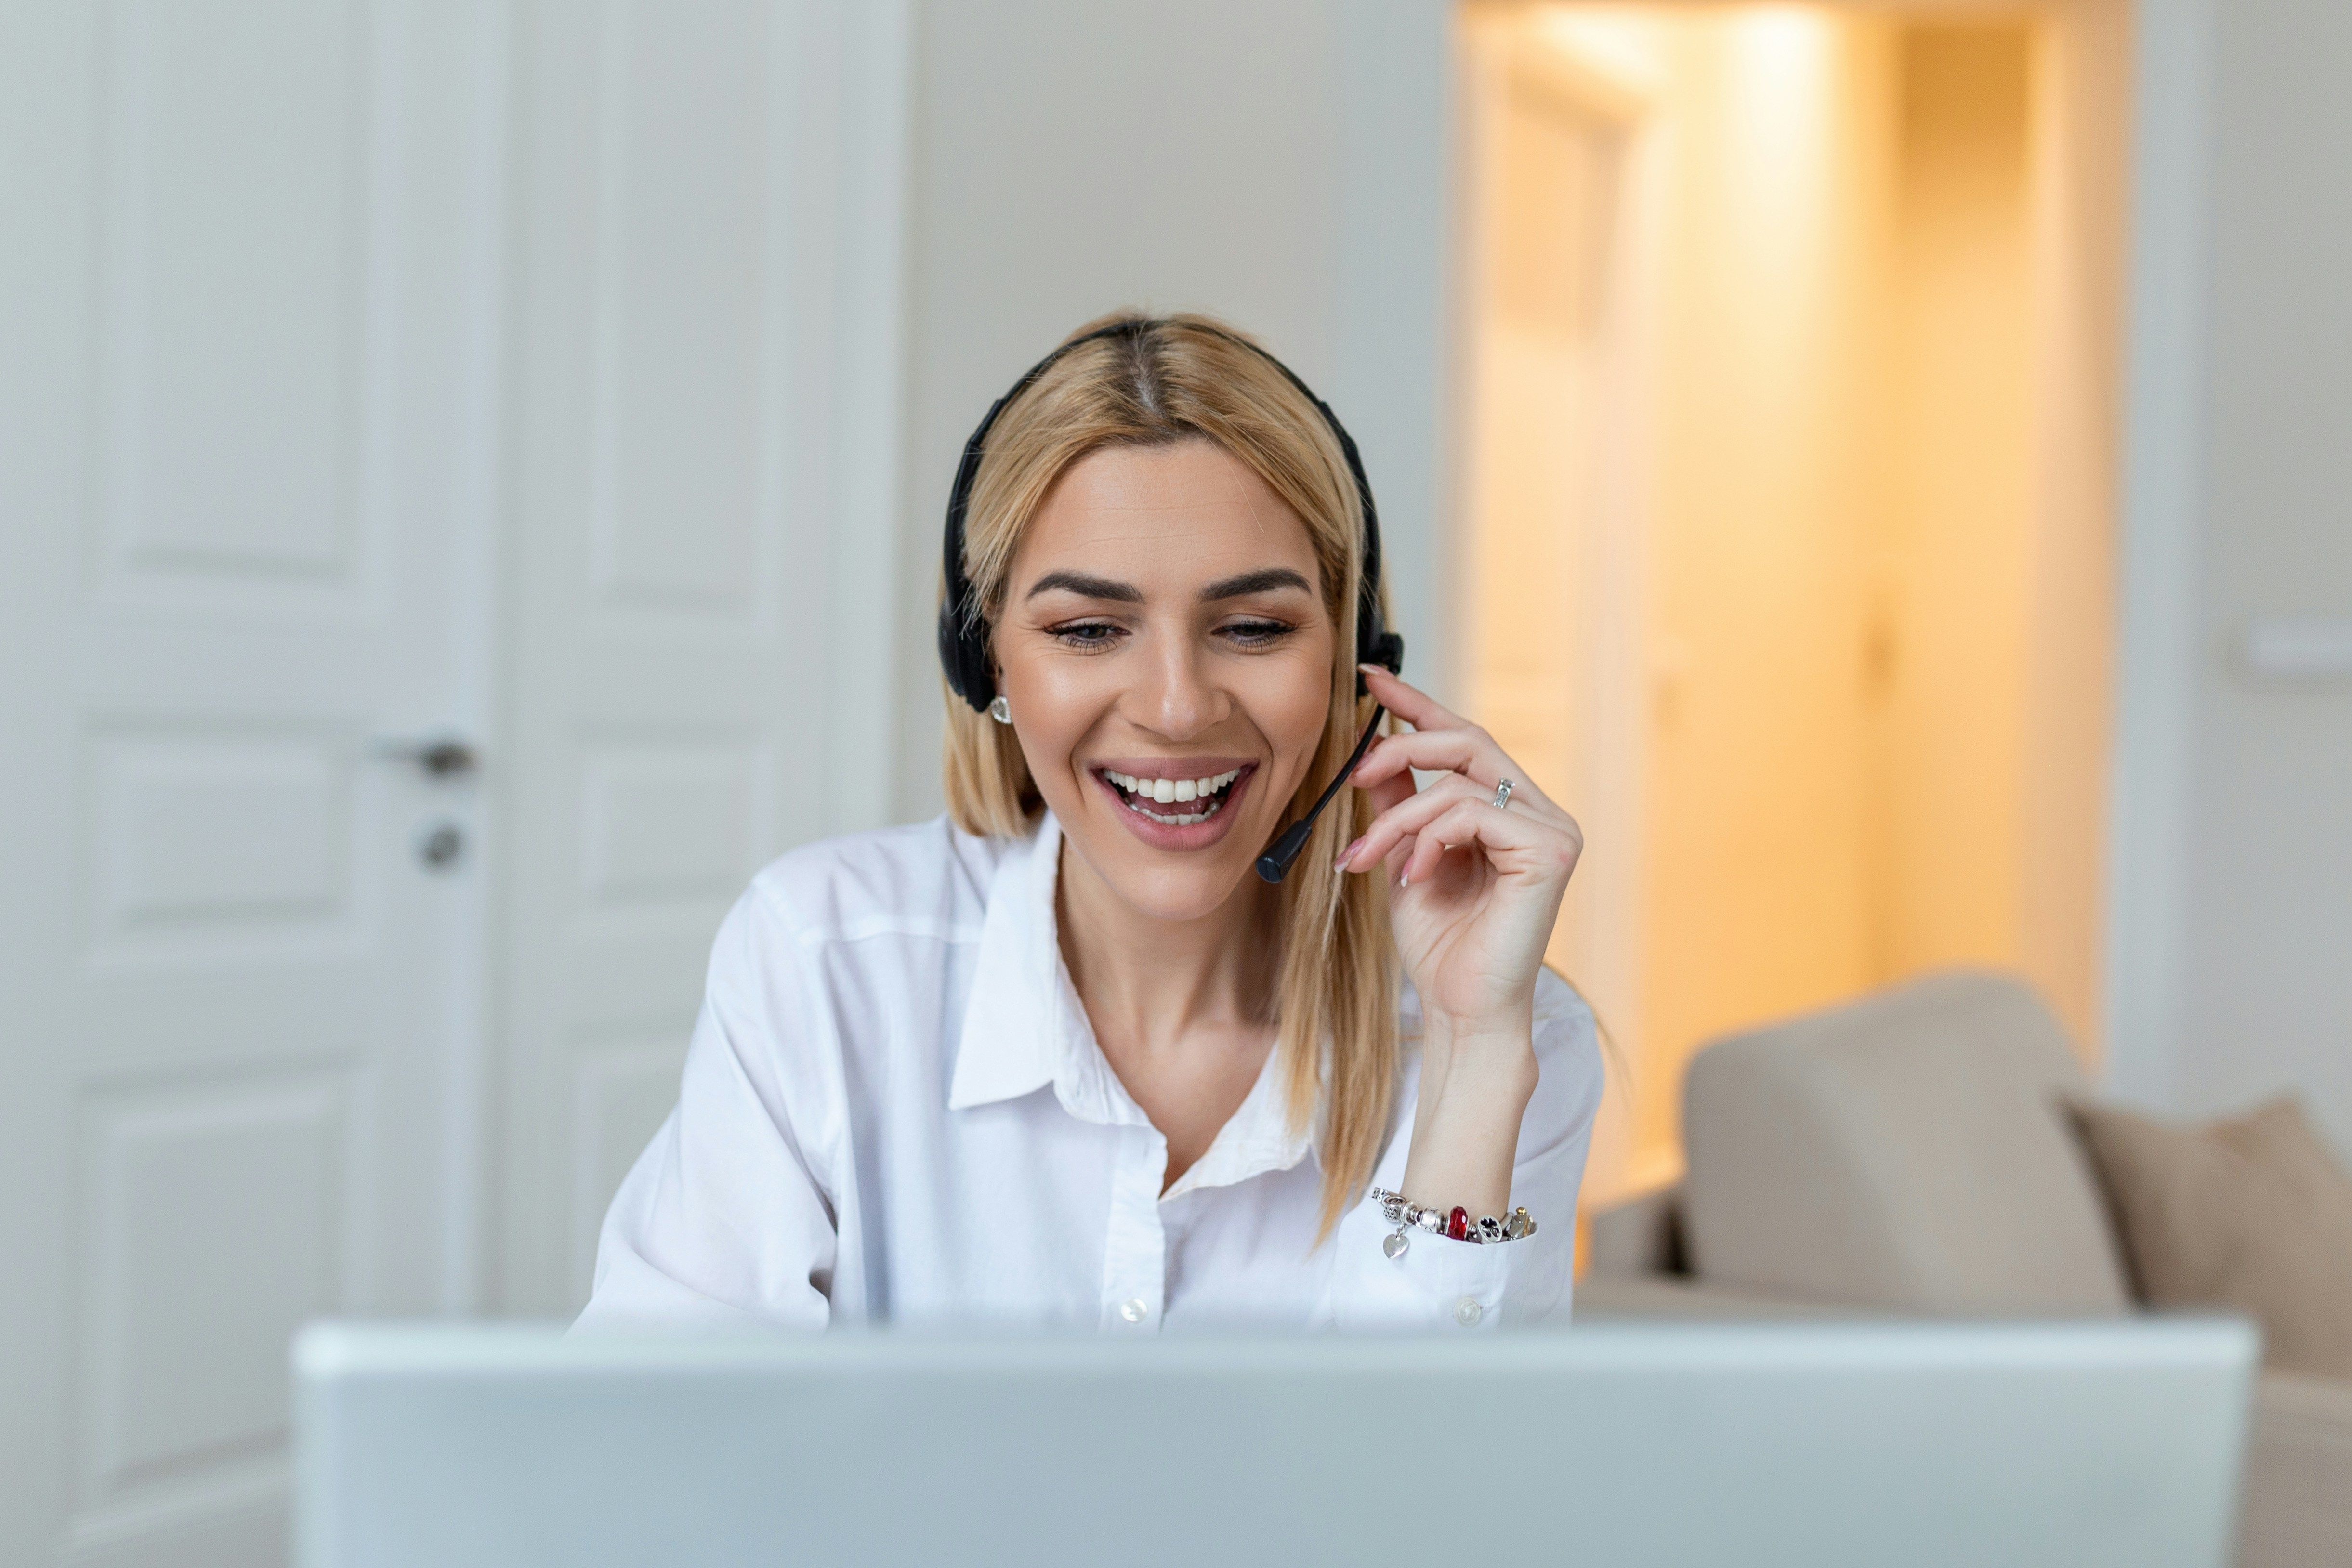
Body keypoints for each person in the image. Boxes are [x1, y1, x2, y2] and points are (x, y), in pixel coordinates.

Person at [578, 314, 1602, 1333]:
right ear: (986, 666)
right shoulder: (825, 960)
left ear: (1350, 661)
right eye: (1088, 629)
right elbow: (656, 1442)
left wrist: (1472, 1057)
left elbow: (1439, 1487)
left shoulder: (1505, 1028)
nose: (1176, 706)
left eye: (1252, 627)